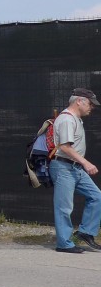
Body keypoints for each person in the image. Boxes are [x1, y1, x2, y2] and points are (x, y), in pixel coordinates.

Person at [48, 87, 101, 253]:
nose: (92, 107)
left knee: (97, 197)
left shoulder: (75, 119)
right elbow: (65, 147)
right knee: (64, 207)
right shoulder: (66, 119)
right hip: (63, 167)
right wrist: (86, 163)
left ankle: (86, 232)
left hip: (74, 168)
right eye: (90, 104)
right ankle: (64, 244)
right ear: (79, 101)